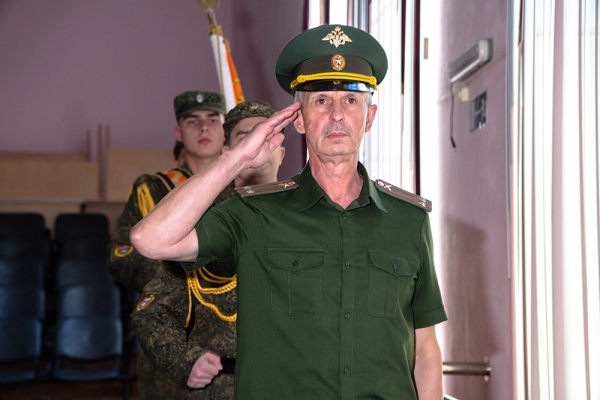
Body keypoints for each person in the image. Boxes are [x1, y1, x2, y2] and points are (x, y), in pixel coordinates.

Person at [131, 25, 447, 399]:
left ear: (369, 116)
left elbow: (424, 349)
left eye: (350, 100)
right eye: (321, 101)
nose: (337, 115)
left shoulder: (408, 220)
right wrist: (235, 160)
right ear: (298, 119)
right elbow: (150, 239)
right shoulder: (254, 213)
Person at [129, 101, 285, 399]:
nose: (258, 144)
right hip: (222, 388)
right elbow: (151, 312)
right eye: (246, 137)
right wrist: (186, 361)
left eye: (268, 135)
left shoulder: (307, 219)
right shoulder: (203, 224)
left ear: (282, 152)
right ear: (229, 153)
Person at [107, 90, 227, 399]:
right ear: (178, 132)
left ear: (225, 129)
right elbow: (122, 254)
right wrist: (175, 277)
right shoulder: (153, 188)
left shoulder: (243, 188)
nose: (204, 128)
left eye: (213, 120)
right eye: (193, 121)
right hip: (172, 331)